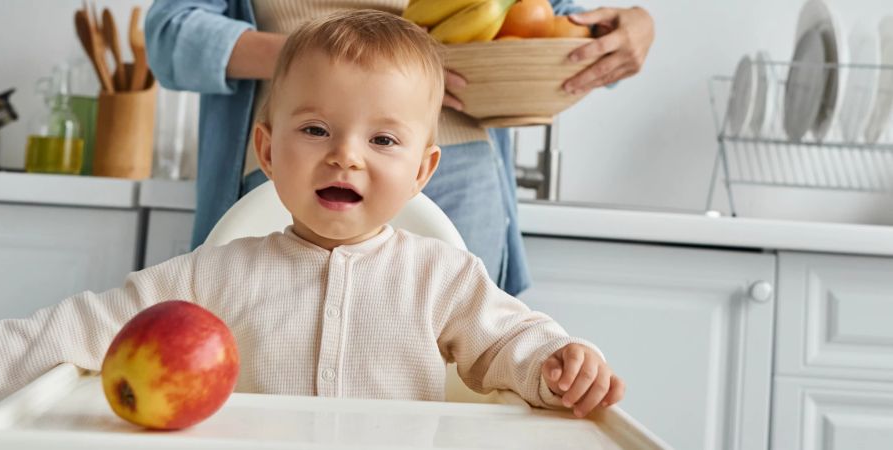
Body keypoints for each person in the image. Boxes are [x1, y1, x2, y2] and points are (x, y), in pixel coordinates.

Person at [0, 11, 623, 419]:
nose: (345, 157)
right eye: (317, 129)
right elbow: (82, 325)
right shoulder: (212, 276)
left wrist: (557, 365)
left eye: (382, 141)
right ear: (267, 151)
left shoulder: (445, 277)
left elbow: (513, 341)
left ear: (422, 172)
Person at [145, 0, 654, 297]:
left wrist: (632, 28)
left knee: (456, 344)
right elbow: (172, 32)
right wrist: (334, 62)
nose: (352, 157)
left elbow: (548, 17)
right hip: (296, 150)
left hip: (461, 156)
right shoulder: (207, 273)